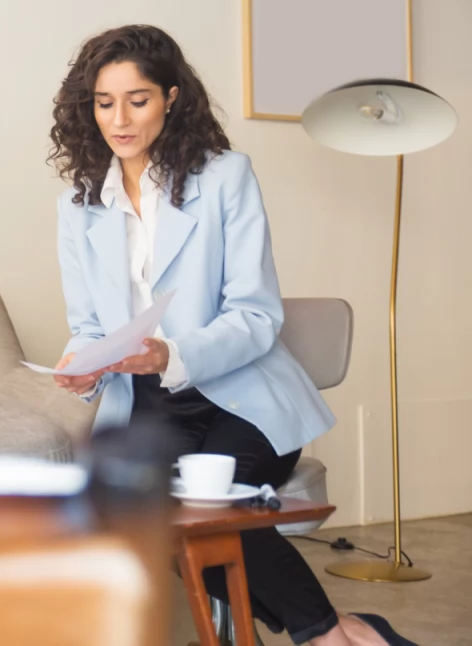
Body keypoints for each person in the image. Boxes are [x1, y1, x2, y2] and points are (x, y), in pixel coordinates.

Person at [47, 25, 416, 646]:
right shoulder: (78, 206)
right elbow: (88, 327)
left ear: (170, 97)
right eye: (103, 103)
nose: (120, 119)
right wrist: (83, 366)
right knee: (138, 513)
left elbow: (255, 314)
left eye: (137, 100)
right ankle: (346, 631)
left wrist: (173, 352)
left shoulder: (224, 177)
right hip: (143, 403)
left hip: (239, 393)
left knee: (210, 509)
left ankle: (325, 636)